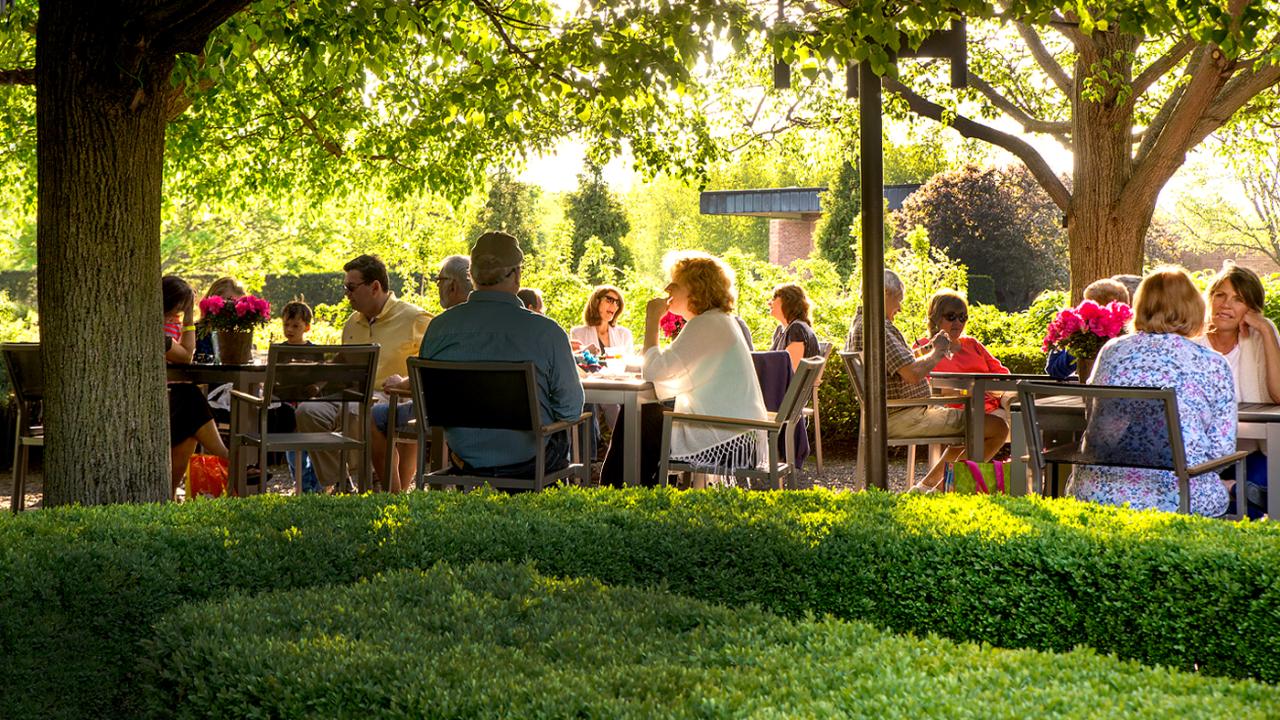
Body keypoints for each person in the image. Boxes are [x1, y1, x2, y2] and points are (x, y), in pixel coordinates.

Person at [1069, 267, 1235, 517]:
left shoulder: (1112, 351)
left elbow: (1095, 416)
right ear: (1194, 308)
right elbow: (1222, 451)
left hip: (1095, 492)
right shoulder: (1212, 363)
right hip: (1178, 497)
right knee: (1229, 485)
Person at [420, 230, 584, 477]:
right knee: (561, 429)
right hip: (531, 462)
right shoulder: (546, 332)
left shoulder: (438, 329)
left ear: (472, 275)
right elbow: (570, 410)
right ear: (517, 275)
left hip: (464, 459)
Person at [601, 251, 768, 488]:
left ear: (696, 289)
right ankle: (629, 491)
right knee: (645, 414)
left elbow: (654, 371)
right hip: (736, 430)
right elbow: (669, 371)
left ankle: (620, 492)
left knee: (640, 415)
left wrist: (652, 321)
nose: (667, 288)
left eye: (675, 283)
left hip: (729, 436)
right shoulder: (716, 320)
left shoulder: (707, 323)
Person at [844, 270, 1008, 491]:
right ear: (884, 293)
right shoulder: (875, 328)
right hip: (903, 415)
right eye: (899, 300)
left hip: (899, 412)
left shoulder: (865, 324)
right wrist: (938, 353)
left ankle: (927, 487)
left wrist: (931, 348)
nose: (900, 308)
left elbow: (904, 362)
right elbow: (912, 373)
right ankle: (942, 490)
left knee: (972, 427)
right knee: (997, 427)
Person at [294, 254, 432, 492]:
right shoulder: (352, 322)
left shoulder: (415, 319)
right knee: (307, 411)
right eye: (345, 287)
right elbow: (343, 362)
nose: (346, 294)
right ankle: (340, 481)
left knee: (362, 413)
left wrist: (405, 384)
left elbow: (432, 362)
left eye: (351, 287)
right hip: (353, 396)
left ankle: (374, 478)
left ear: (375, 287)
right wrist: (315, 380)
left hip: (394, 398)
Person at [372, 256, 470, 492]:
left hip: (443, 414)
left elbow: (424, 375)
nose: (437, 286)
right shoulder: (493, 324)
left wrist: (399, 382)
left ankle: (394, 495)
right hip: (488, 413)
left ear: (453, 286)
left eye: (439, 280)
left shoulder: (441, 327)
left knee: (375, 416)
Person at [1192, 262, 1279, 518]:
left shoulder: (1262, 336)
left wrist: (1264, 329)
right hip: (1203, 456)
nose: (1226, 304)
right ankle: (1228, 490)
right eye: (1220, 295)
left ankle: (1232, 493)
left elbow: (1278, 395)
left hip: (1251, 451)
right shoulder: (1192, 343)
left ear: (1251, 310)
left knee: (1254, 488)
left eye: (1238, 299)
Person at [163, 275, 228, 496]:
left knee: (190, 418)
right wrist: (190, 317)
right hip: (162, 398)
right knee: (190, 401)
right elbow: (186, 355)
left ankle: (169, 493)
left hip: (173, 398)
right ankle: (227, 456)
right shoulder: (157, 329)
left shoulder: (172, 324)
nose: (179, 314)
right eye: (179, 309)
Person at [914, 289, 1010, 416]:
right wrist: (964, 391)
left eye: (962, 317)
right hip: (953, 413)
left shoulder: (972, 344)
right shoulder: (923, 348)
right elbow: (922, 387)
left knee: (1022, 410)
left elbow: (1004, 376)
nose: (958, 322)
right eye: (951, 316)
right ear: (936, 317)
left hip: (991, 408)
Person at [1045, 278, 1132, 379]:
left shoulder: (1087, 342)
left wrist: (1069, 340)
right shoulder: (1135, 334)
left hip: (1093, 392)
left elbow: (1055, 370)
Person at [279, 298, 321, 493]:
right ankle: (303, 486)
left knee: (311, 451)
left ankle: (315, 485)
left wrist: (316, 387)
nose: (290, 329)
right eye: (286, 324)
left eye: (295, 325)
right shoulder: (279, 351)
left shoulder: (315, 352)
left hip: (309, 407)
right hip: (287, 408)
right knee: (293, 452)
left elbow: (323, 378)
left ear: (307, 328)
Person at [768, 283, 821, 371]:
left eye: (774, 298)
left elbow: (791, 371)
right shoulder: (781, 330)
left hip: (784, 385)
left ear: (788, 301)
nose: (769, 303)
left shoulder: (797, 330)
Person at [570, 286, 633, 355]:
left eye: (617, 303)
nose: (614, 306)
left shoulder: (624, 334)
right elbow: (576, 363)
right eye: (609, 300)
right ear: (596, 302)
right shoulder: (578, 333)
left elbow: (630, 363)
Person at [194, 276, 246, 362]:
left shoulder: (239, 333)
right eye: (227, 303)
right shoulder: (196, 331)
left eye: (237, 305)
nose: (231, 309)